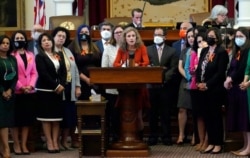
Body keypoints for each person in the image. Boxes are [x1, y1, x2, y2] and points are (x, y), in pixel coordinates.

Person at [196, 27, 228, 154]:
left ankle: (218, 143)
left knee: (215, 116)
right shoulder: (204, 50)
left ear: (217, 37)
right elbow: (199, 68)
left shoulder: (221, 52)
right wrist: (199, 82)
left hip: (215, 89)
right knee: (207, 116)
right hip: (202, 89)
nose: (209, 37)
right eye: (208, 35)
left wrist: (207, 84)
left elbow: (220, 73)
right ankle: (211, 142)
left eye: (212, 36)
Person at [113, 26, 149, 140]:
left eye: (133, 36)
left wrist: (138, 65)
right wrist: (124, 65)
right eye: (129, 36)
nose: (131, 38)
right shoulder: (122, 49)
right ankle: (125, 136)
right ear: (125, 38)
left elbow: (146, 61)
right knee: (125, 111)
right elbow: (115, 64)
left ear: (136, 37)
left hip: (138, 84)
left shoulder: (142, 47)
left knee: (138, 113)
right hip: (125, 85)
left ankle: (139, 137)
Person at [147, 27, 178, 146]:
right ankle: (152, 136)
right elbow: (146, 65)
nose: (157, 37)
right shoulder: (148, 49)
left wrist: (163, 78)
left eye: (159, 34)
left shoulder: (172, 51)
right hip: (151, 86)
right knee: (152, 113)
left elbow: (173, 68)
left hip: (165, 86)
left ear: (165, 37)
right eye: (155, 34)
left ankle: (166, 136)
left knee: (165, 113)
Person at [35, 32, 66, 153]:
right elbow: (43, 74)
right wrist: (56, 85)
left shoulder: (58, 55)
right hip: (45, 90)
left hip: (58, 91)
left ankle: (55, 141)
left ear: (52, 42)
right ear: (41, 44)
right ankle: (49, 142)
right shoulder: (40, 57)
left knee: (56, 119)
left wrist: (62, 85)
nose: (47, 42)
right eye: (44, 40)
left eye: (48, 40)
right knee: (47, 119)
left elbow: (63, 71)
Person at [51, 26, 81, 150]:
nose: (61, 38)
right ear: (53, 37)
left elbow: (75, 70)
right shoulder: (50, 51)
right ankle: (55, 142)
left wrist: (78, 86)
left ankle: (64, 141)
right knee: (58, 116)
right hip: (56, 89)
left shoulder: (68, 51)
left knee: (69, 116)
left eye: (64, 37)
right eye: (59, 36)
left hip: (70, 87)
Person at [10, 30, 38, 155]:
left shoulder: (30, 54)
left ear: (25, 40)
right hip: (16, 91)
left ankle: (24, 145)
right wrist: (21, 87)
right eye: (17, 38)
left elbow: (34, 73)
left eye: (22, 38)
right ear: (13, 40)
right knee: (16, 121)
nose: (20, 40)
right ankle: (16, 144)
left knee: (26, 121)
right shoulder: (11, 55)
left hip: (29, 92)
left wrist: (30, 86)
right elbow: (12, 74)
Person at [225, 27, 250, 156]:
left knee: (246, 118)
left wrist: (231, 79)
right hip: (235, 87)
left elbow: (242, 69)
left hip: (243, 87)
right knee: (241, 119)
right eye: (236, 37)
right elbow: (232, 68)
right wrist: (228, 79)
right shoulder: (237, 51)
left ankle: (249, 147)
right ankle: (245, 145)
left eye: (241, 36)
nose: (238, 39)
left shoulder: (247, 51)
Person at [101, 25, 124, 142]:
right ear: (113, 35)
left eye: (121, 32)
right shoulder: (108, 48)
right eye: (116, 32)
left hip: (129, 87)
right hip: (112, 88)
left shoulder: (130, 47)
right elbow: (104, 69)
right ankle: (115, 138)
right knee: (114, 114)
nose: (119, 34)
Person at [176, 28, 198, 146]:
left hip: (196, 81)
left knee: (195, 109)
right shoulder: (184, 51)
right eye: (188, 36)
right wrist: (188, 77)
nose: (191, 38)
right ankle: (181, 135)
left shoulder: (200, 50)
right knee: (182, 108)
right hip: (185, 81)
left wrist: (193, 78)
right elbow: (180, 67)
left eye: (193, 36)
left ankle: (196, 135)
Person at [0, 35, 17, 158]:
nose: (6, 45)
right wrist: (2, 91)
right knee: (2, 122)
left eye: (7, 43)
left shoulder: (12, 59)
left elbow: (16, 76)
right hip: (0, 94)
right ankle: (5, 148)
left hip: (10, 94)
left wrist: (10, 89)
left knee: (6, 122)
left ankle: (4, 148)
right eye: (3, 43)